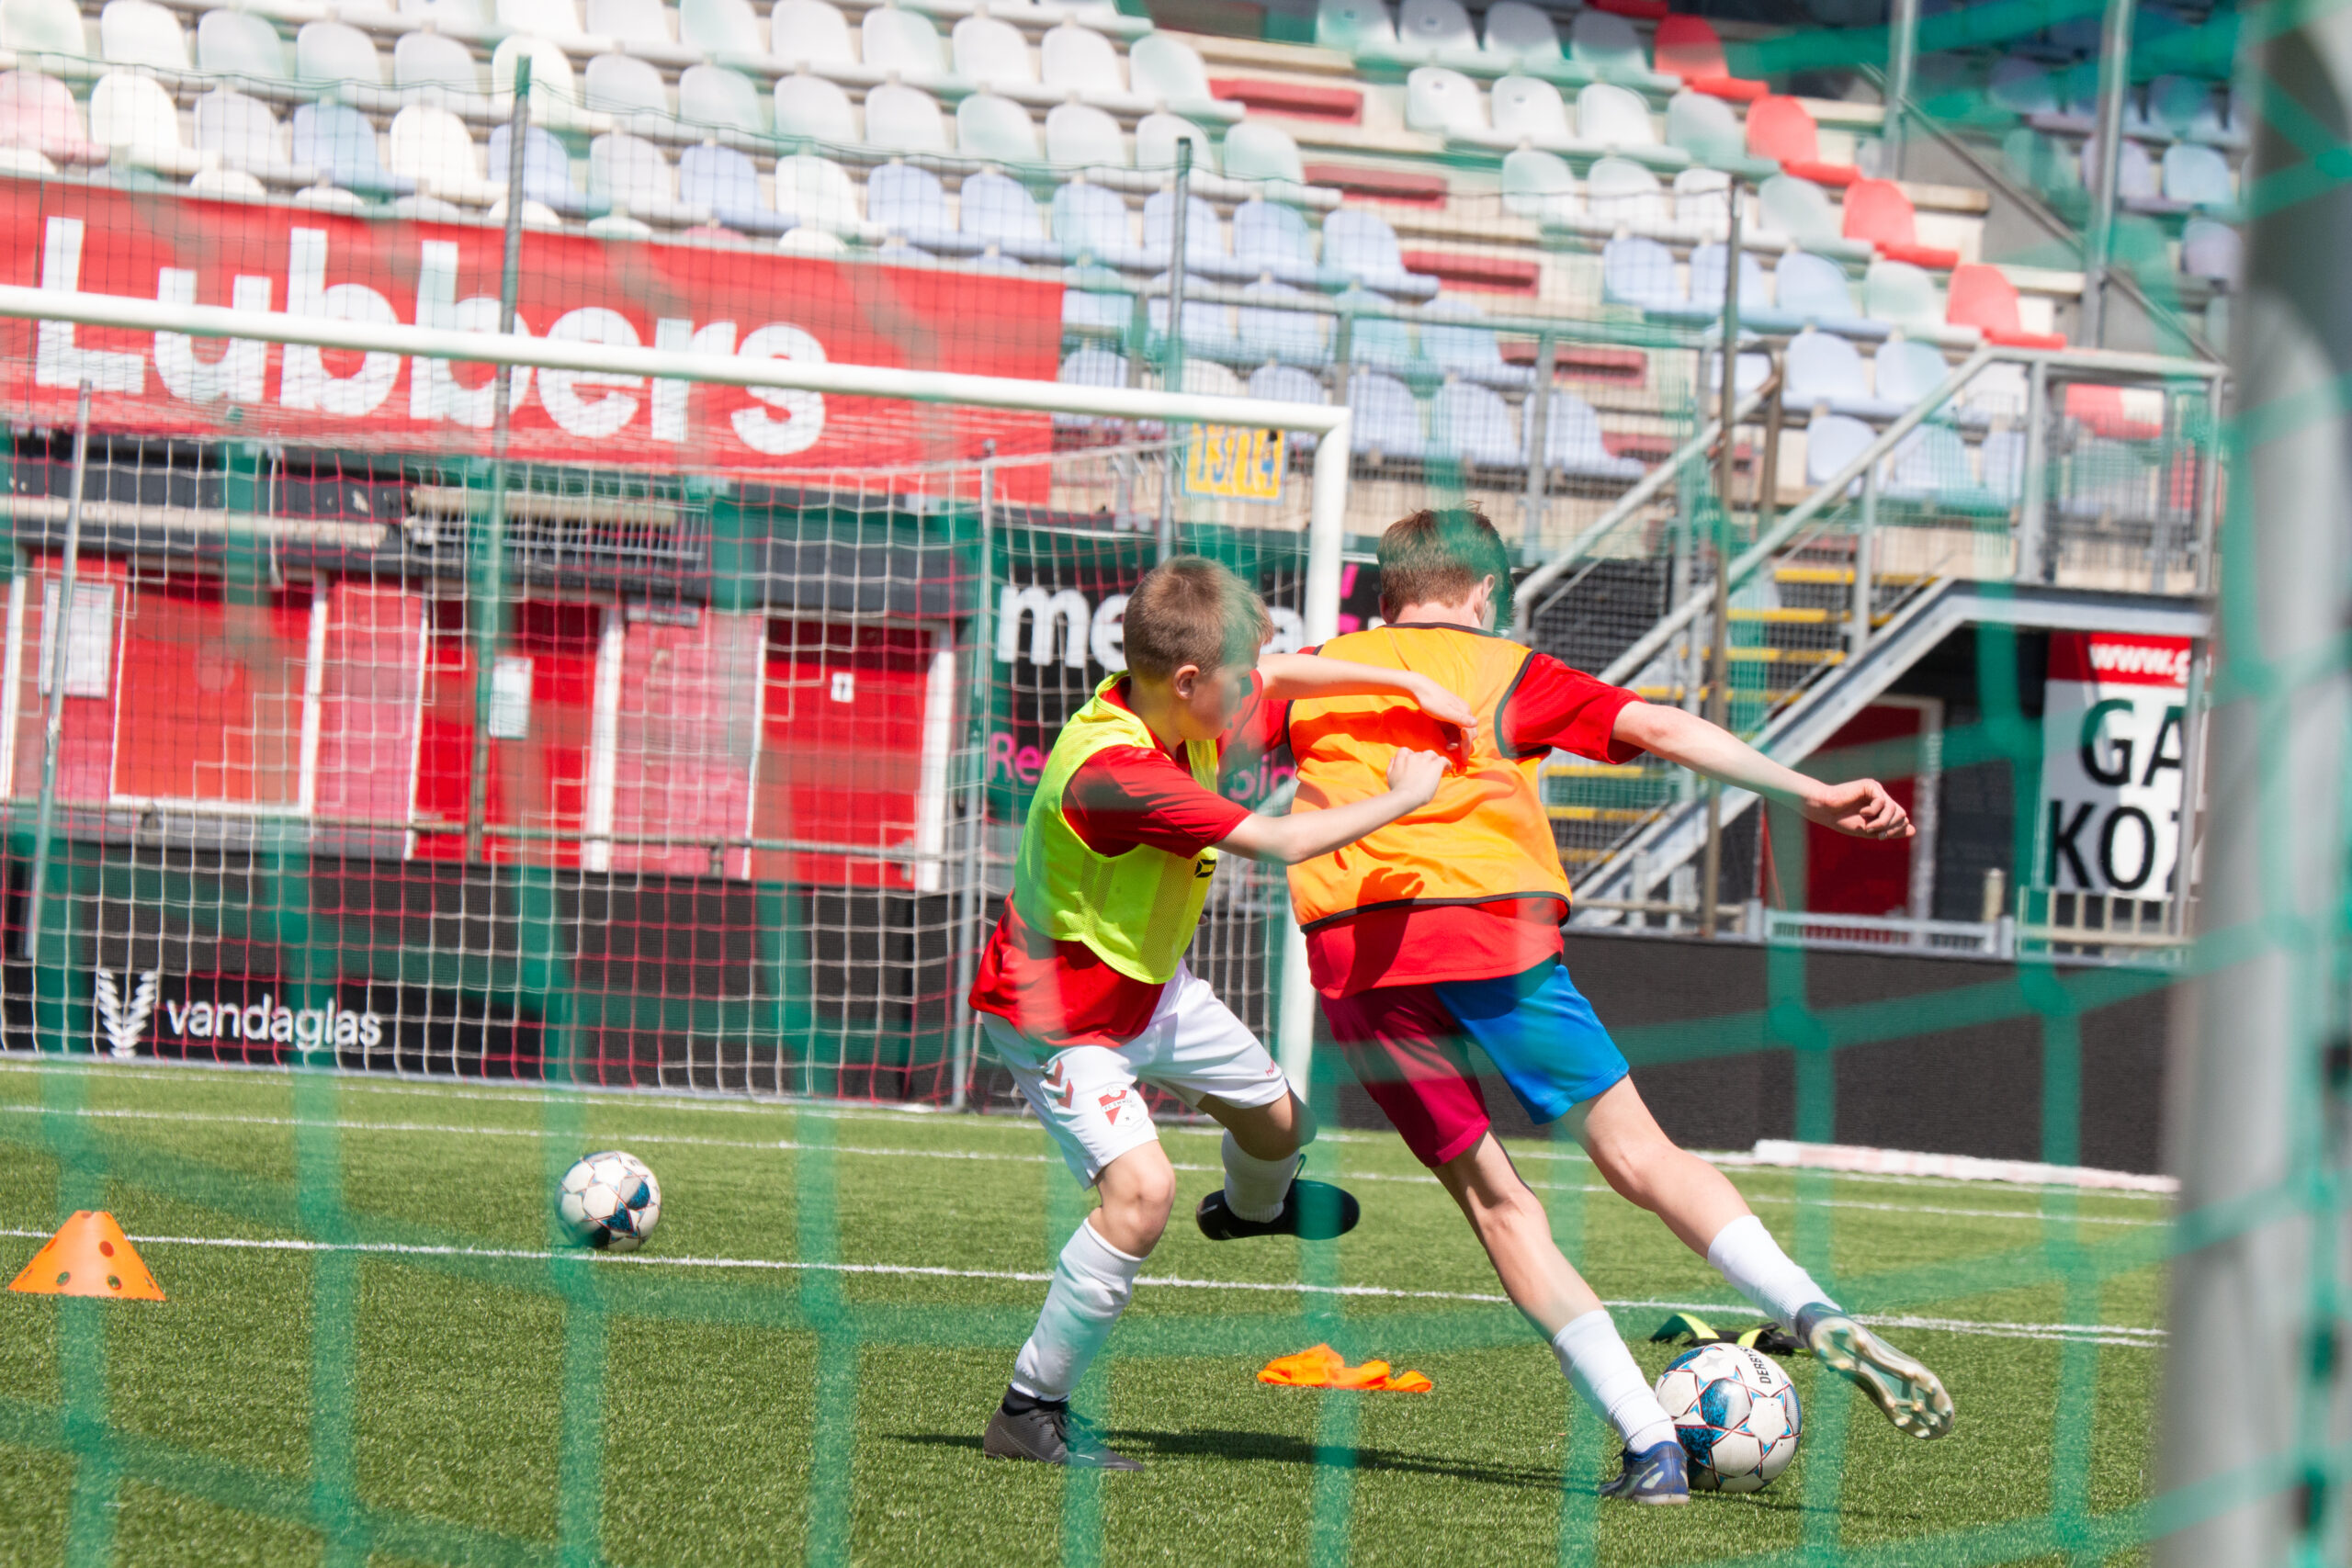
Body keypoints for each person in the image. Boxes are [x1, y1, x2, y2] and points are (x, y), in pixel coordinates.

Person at [1280, 508, 1955, 1505]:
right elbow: (1662, 727)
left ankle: (1650, 1447)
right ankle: (1808, 1309)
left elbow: (1220, 694)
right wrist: (1808, 794)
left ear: (1386, 595)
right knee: (1642, 1155)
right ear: (1484, 592)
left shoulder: (1312, 673)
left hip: (1357, 952)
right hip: (1496, 930)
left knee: (1499, 1206)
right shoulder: (1508, 667)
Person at [974, 554, 1471, 1471]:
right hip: (1060, 1018)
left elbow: (1285, 672)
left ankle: (1248, 1211)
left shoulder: (1178, 705)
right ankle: (1028, 1409)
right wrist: (1402, 797)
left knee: (1282, 1127)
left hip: (1149, 987)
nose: (1254, 692)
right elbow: (1278, 839)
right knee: (1142, 1196)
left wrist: (1405, 681)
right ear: (1190, 679)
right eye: (1237, 678)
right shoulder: (1116, 773)